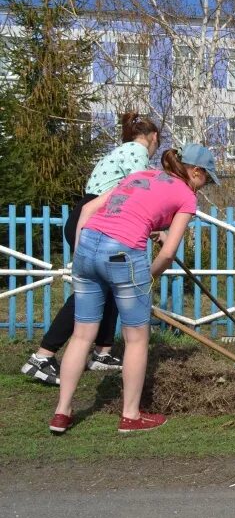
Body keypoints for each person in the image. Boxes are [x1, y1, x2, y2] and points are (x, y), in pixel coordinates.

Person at [48, 143, 219, 434]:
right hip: (124, 254)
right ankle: (130, 416)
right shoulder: (187, 197)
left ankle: (61, 413)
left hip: (88, 246)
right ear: (195, 171)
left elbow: (89, 209)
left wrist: (80, 257)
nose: (204, 186)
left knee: (81, 335)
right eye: (206, 179)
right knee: (136, 339)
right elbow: (167, 255)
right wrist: (146, 278)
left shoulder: (140, 176)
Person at [22, 112, 161, 385]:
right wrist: (158, 226)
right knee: (90, 289)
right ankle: (42, 356)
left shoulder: (122, 150)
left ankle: (102, 352)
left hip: (93, 219)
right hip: (94, 221)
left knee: (109, 283)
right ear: (153, 137)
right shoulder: (137, 151)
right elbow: (138, 191)